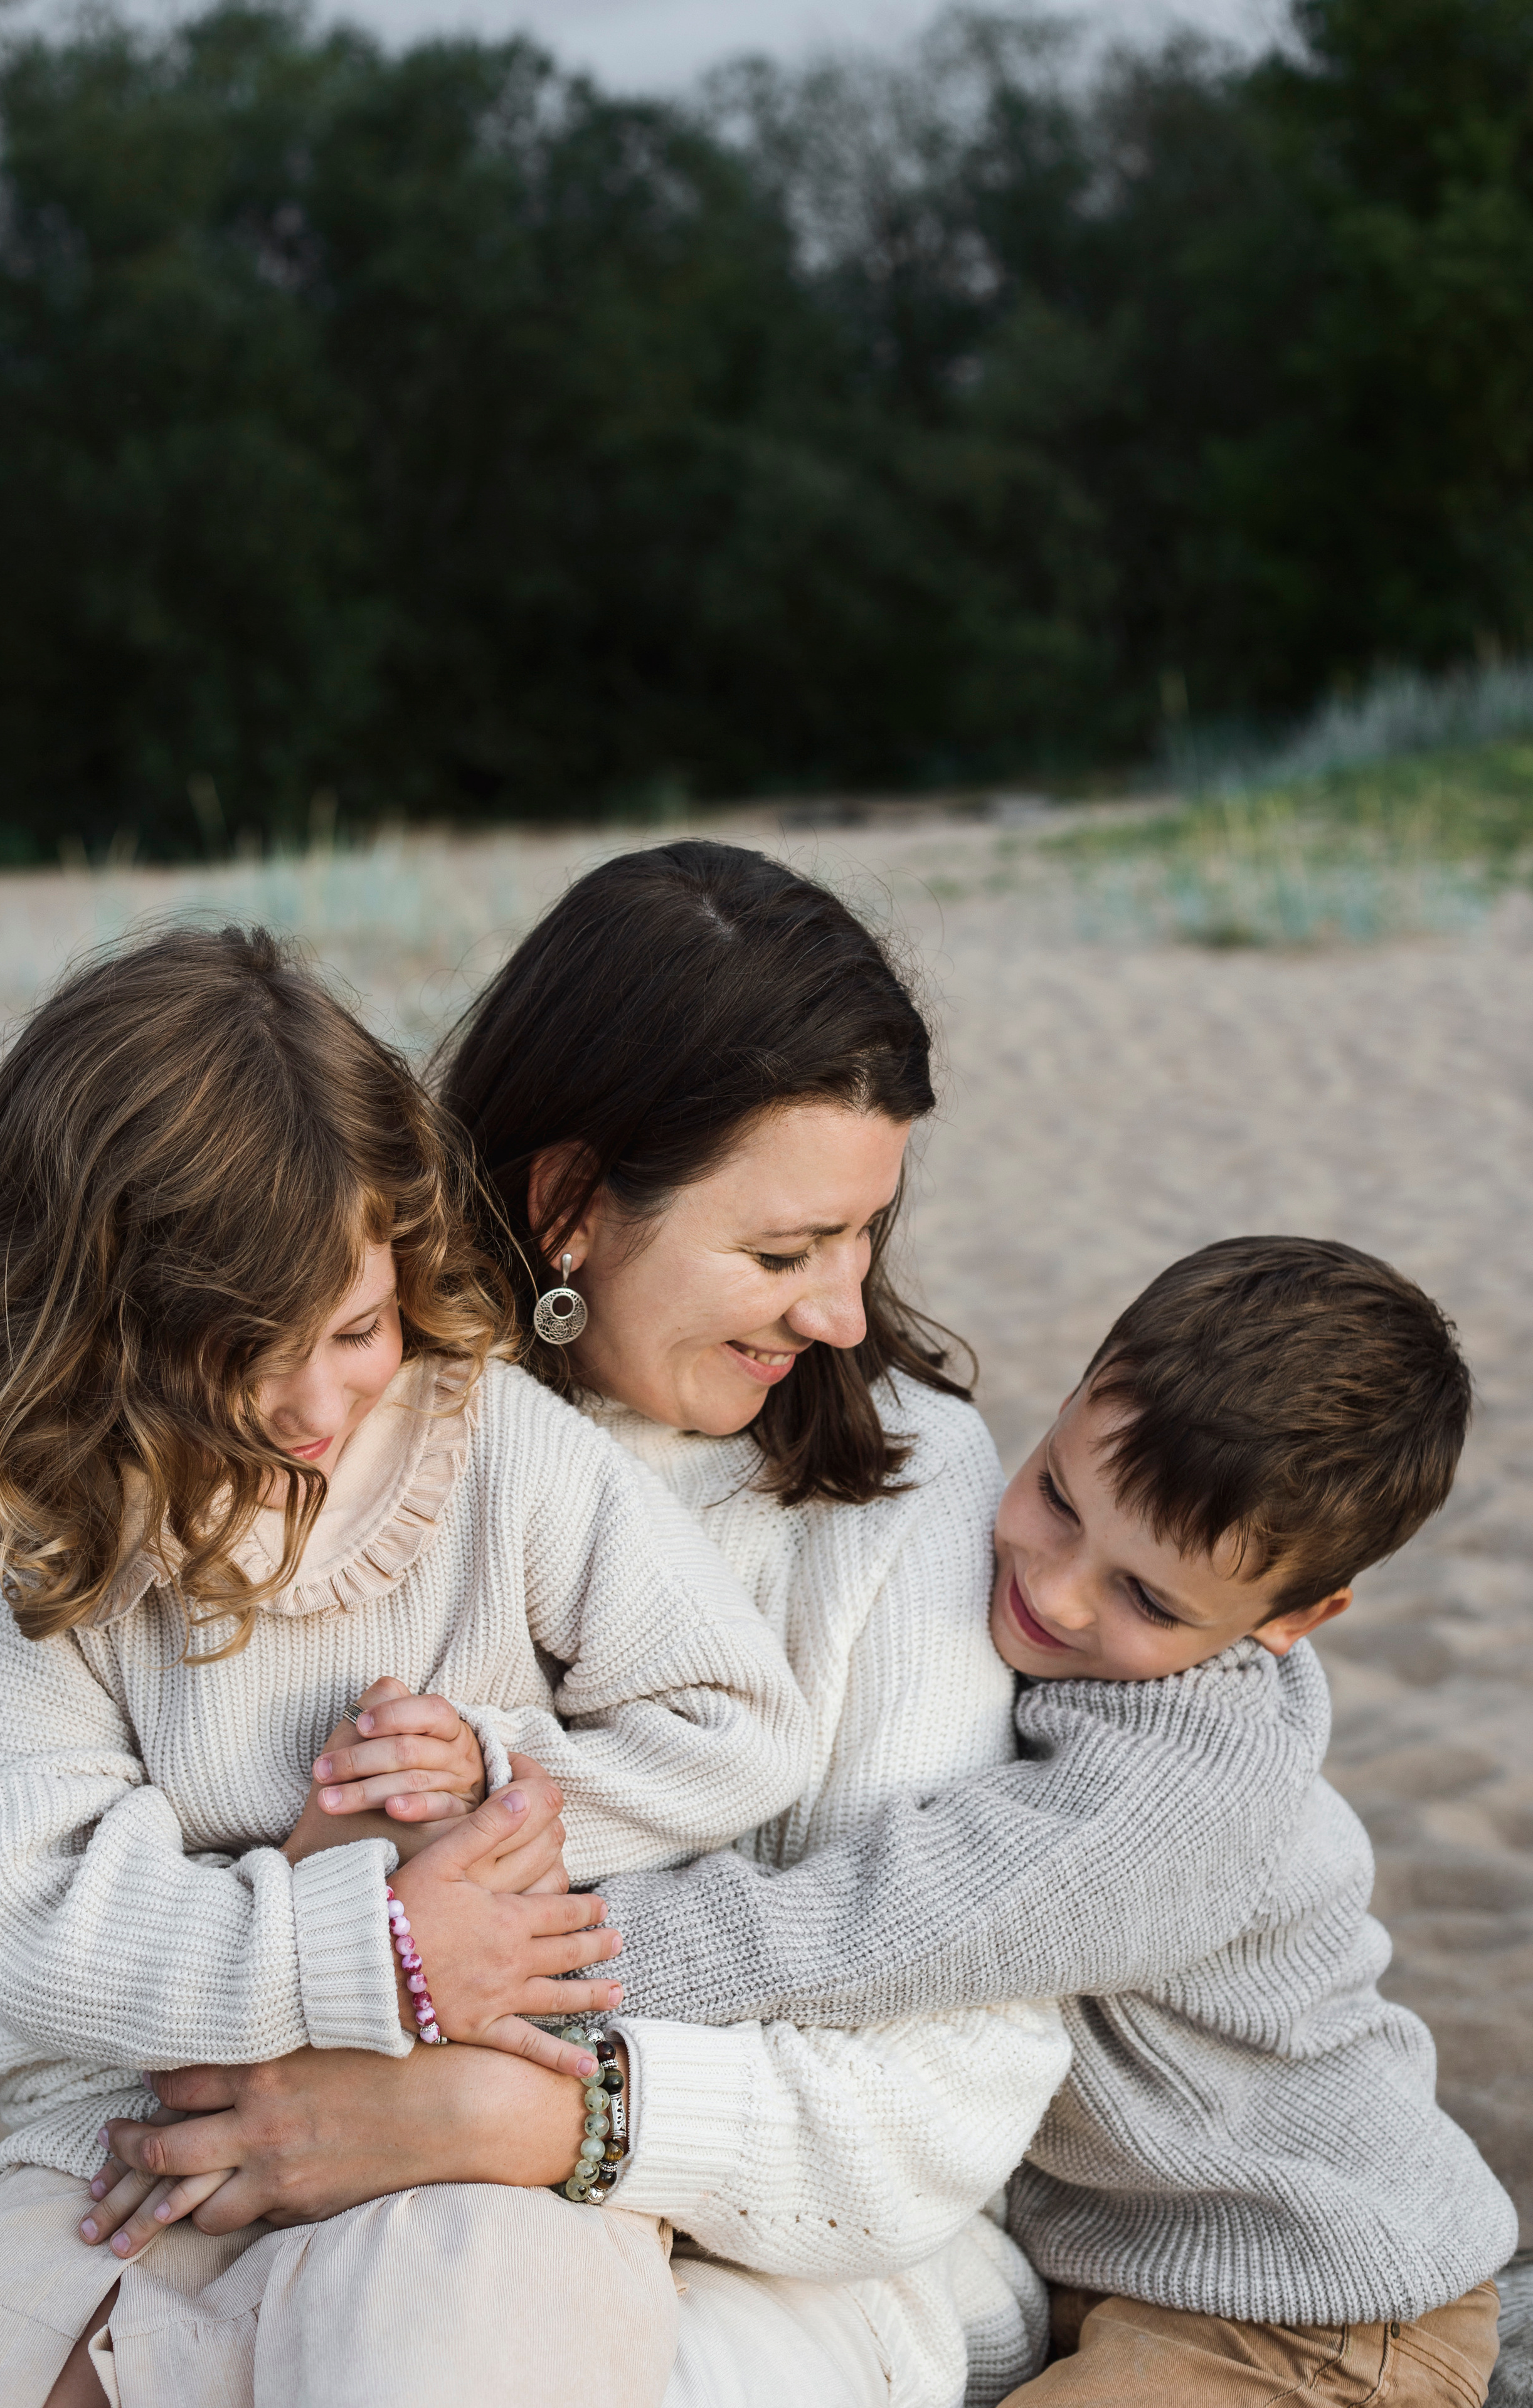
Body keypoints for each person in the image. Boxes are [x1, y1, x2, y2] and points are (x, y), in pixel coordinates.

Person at [87, 844, 1074, 2408]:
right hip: (296, 2194)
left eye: (861, 1238)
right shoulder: (318, 1412)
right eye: (780, 1253)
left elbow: (947, 2092)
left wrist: (513, 2120)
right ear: (568, 1206)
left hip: (783, 2276)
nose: (838, 1313)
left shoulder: (907, 1485)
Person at [0, 924, 811, 2408]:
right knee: (0, 2362)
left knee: (451, 2345)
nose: (311, 1403)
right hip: (149, 2118)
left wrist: (489, 1784)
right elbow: (37, 1918)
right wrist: (375, 1946)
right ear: (90, 1333)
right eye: (233, 1356)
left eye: (351, 1328)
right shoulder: (37, 1533)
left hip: (467, 2108)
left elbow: (735, 1726)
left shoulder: (493, 1446)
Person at [595, 1235, 1520, 2405]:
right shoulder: (1081, 1644)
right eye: (1056, 1497)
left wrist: (556, 1944)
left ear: (1293, 1620)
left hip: (1311, 2303)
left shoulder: (1174, 1796)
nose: (1055, 1588)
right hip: (1116, 2268)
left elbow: (880, 1923)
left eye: (1145, 1596)